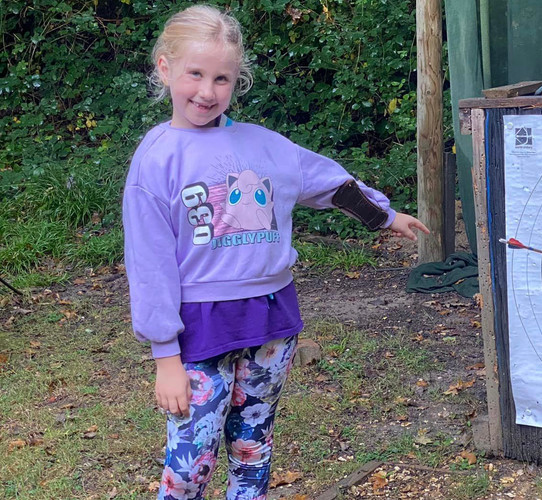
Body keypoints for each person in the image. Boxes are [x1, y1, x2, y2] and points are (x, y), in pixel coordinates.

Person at [122, 5, 429, 499]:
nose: (207, 91)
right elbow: (149, 266)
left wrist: (384, 216)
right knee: (190, 465)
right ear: (164, 68)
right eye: (195, 74)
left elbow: (328, 182)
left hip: (270, 319)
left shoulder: (265, 146)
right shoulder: (155, 160)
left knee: (252, 448)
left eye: (222, 79)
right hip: (200, 328)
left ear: (236, 81)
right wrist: (165, 358)